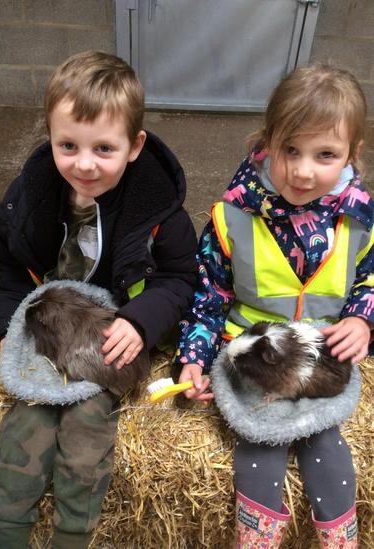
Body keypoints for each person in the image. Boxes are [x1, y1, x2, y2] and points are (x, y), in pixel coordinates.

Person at [0, 50, 197, 548]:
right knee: (25, 424)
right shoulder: (32, 195)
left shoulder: (157, 209)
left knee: (85, 433)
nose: (83, 164)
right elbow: (10, 264)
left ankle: (72, 536)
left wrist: (141, 321)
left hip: (106, 338)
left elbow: (181, 278)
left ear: (134, 145)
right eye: (68, 145)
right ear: (50, 137)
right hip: (47, 330)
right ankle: (2, 534)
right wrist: (8, 326)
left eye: (104, 148)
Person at [175, 64, 373, 548]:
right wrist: (192, 359)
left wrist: (362, 318)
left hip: (322, 359)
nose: (303, 171)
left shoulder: (360, 220)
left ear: (353, 153)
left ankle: (341, 541)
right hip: (251, 362)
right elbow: (208, 296)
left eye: (325, 155)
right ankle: (255, 540)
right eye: (291, 150)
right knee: (259, 442)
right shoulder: (232, 216)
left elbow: (369, 280)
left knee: (326, 442)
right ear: (267, 142)